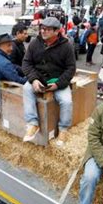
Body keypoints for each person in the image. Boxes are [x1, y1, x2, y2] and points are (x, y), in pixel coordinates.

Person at [22, 17, 76, 146]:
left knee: (66, 101)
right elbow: (26, 63)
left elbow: (71, 68)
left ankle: (63, 129)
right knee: (26, 88)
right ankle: (32, 124)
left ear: (57, 31)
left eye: (47, 29)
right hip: (39, 79)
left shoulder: (66, 46)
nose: (43, 31)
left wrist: (58, 84)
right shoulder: (35, 43)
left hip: (58, 81)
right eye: (42, 29)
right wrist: (34, 79)